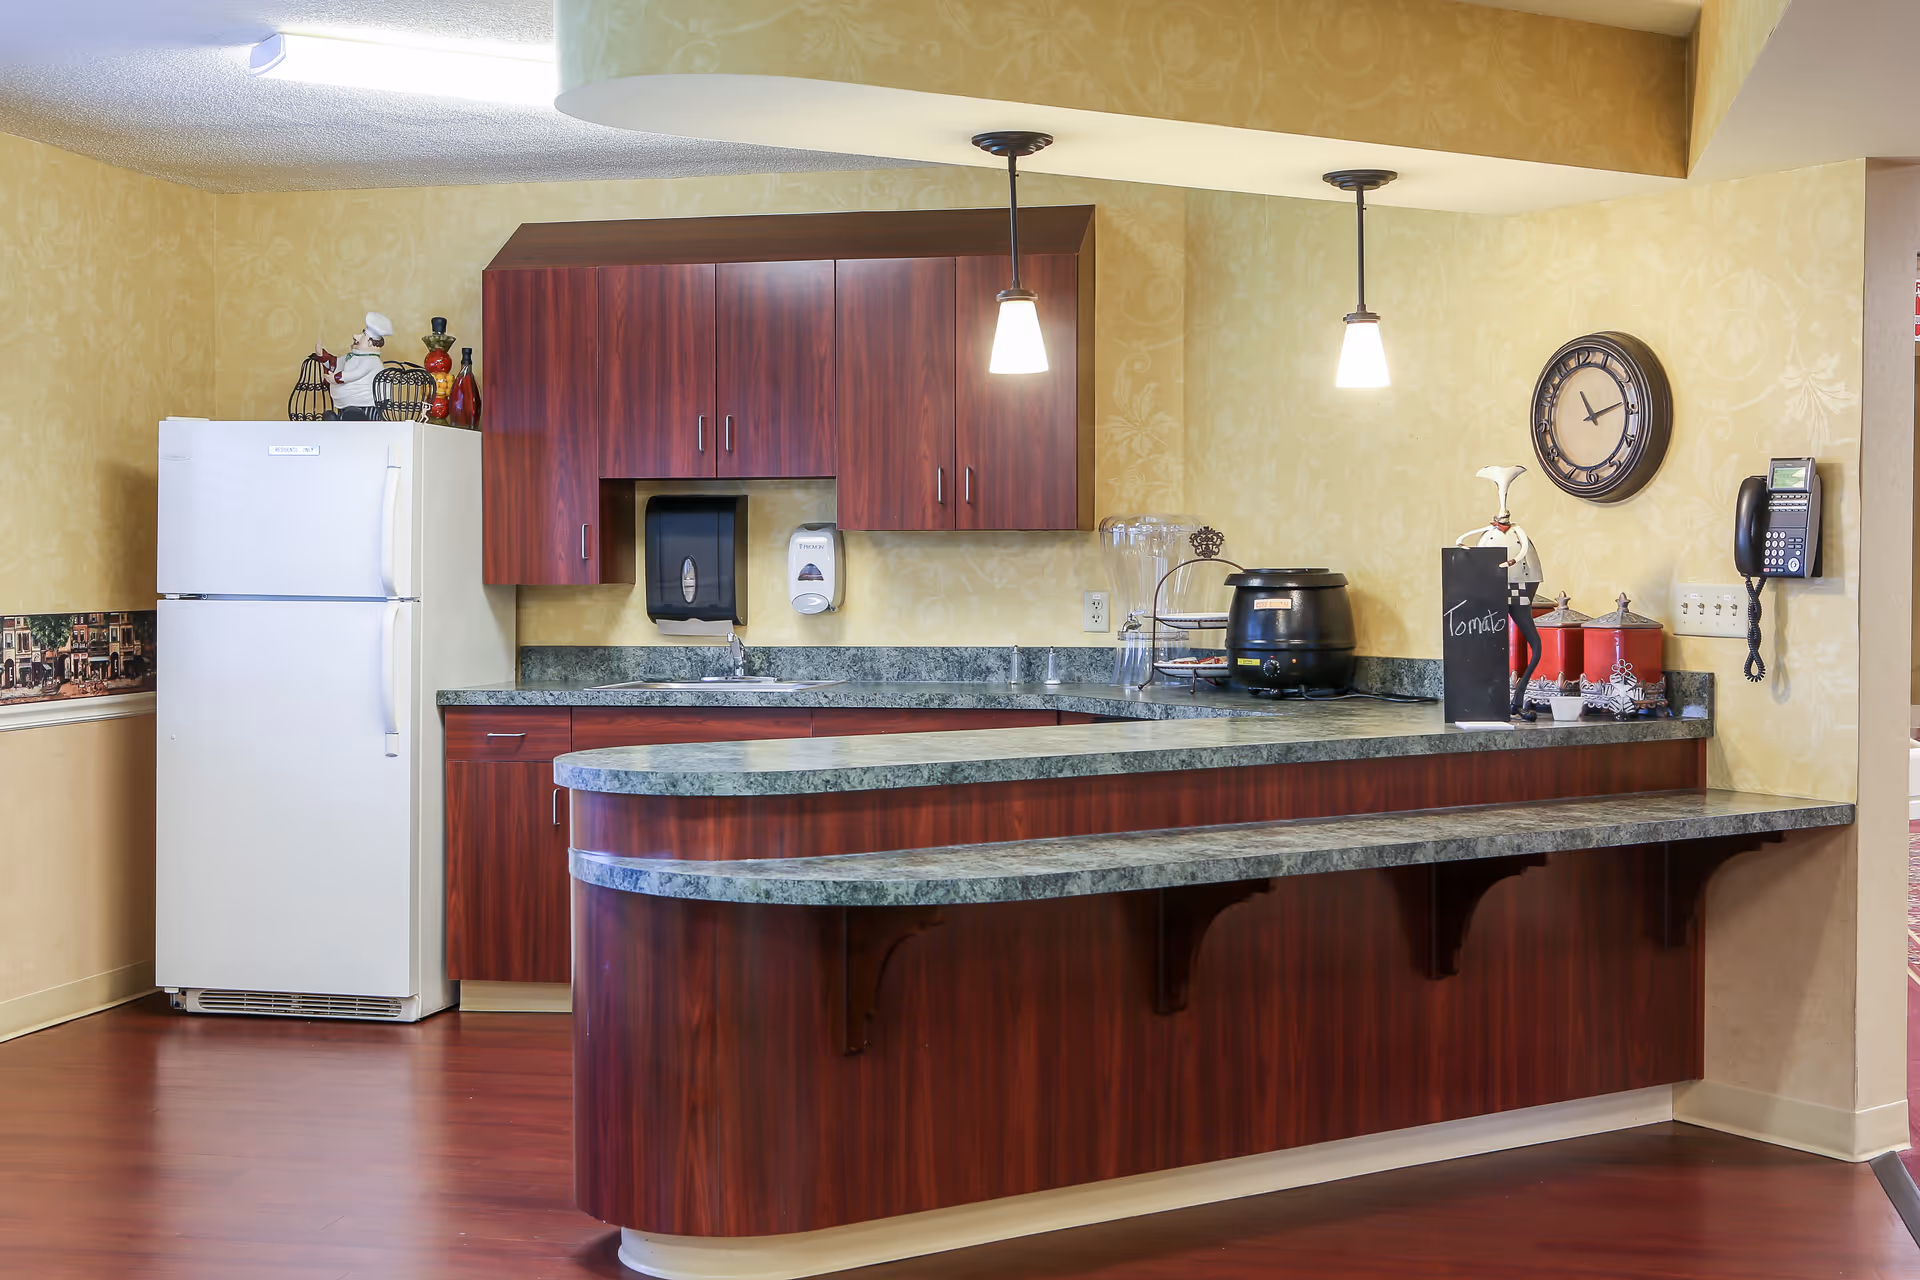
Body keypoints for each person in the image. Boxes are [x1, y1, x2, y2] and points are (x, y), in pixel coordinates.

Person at [1455, 465, 1544, 720]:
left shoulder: (1519, 534)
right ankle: (1488, 698)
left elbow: (1524, 551)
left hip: (1520, 586)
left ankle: (1518, 697)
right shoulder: (1487, 535)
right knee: (1486, 642)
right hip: (1491, 588)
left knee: (1534, 645)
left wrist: (1513, 563)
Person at [316, 312, 393, 420]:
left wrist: (336, 378)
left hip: (365, 404)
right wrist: (323, 356)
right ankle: (339, 420)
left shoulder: (371, 360)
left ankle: (357, 419)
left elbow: (354, 374)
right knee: (344, 415)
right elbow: (337, 363)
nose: (355, 336)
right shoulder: (353, 356)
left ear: (370, 343)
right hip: (344, 404)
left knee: (353, 414)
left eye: (363, 336)